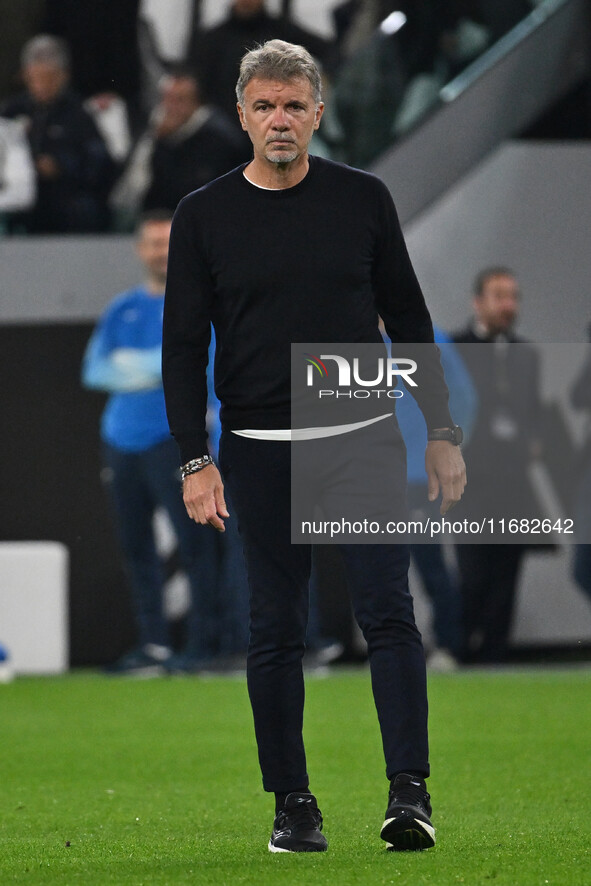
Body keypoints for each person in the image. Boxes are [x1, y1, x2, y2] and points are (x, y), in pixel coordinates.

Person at [162, 40, 466, 852]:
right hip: (258, 445)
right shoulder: (202, 215)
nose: (280, 120)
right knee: (274, 628)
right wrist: (195, 458)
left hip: (361, 436)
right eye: (264, 106)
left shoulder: (363, 198)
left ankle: (409, 794)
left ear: (318, 112)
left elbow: (408, 320)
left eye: (294, 105)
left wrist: (439, 429)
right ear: (241, 115)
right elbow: (183, 348)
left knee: (387, 615)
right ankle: (292, 804)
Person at [81, 210, 220, 675]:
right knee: (136, 549)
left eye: (169, 243)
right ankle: (155, 646)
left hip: (173, 440)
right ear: (140, 249)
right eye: (153, 243)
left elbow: (204, 369)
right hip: (120, 440)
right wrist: (159, 365)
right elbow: (95, 371)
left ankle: (202, 646)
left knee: (196, 546)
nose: (161, 252)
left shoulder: (201, 303)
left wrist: (132, 365)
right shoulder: (122, 307)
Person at [452, 267, 542, 663]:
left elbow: (531, 411)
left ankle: (496, 657)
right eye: (499, 295)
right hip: (469, 479)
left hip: (514, 480)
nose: (508, 304)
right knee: (473, 572)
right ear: (478, 301)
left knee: (508, 574)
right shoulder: (453, 349)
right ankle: (459, 648)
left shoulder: (525, 353)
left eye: (513, 296)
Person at [0, 35, 116, 234]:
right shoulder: (12, 111)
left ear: (63, 76)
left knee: (84, 209)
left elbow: (100, 165)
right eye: (35, 77)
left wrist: (61, 167)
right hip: (18, 201)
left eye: (49, 77)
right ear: (26, 76)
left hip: (64, 201)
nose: (41, 85)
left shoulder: (79, 114)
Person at [111, 68, 247, 224]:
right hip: (144, 212)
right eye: (167, 99)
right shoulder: (154, 127)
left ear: (196, 103)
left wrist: (162, 144)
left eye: (179, 100)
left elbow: (187, 190)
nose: (171, 107)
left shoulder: (218, 139)